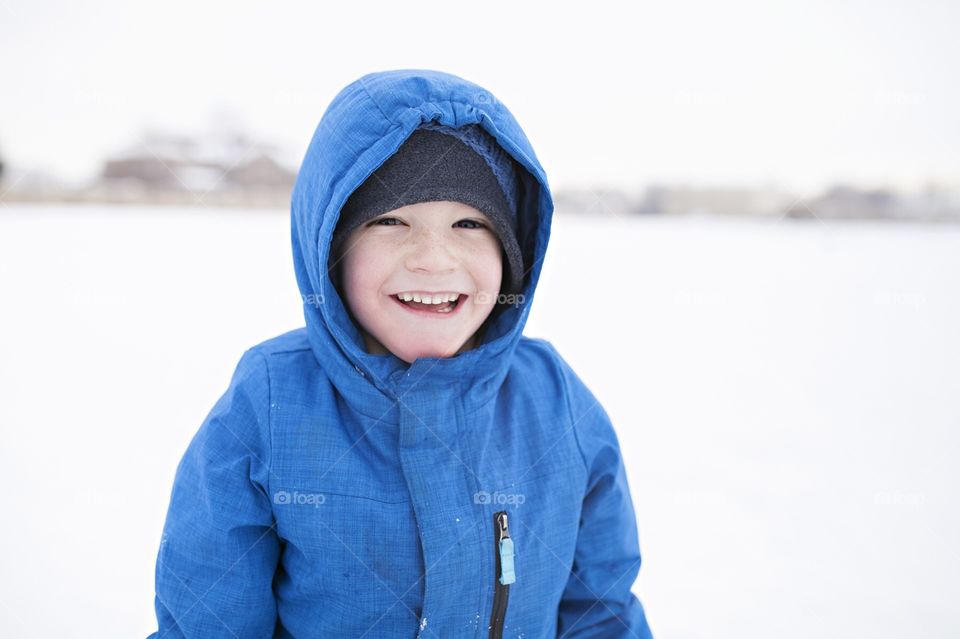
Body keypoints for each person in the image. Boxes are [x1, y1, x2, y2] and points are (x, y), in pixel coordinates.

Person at [148, 68, 655, 638]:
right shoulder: (269, 402)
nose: (433, 260)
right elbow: (209, 621)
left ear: (512, 252)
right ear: (332, 250)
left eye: (469, 222)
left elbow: (601, 613)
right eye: (390, 221)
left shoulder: (555, 402)